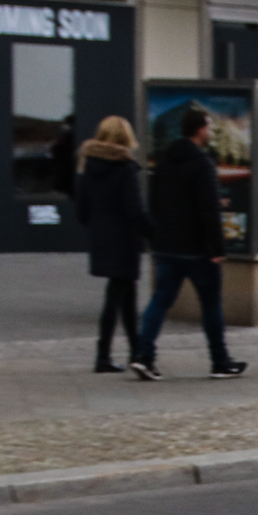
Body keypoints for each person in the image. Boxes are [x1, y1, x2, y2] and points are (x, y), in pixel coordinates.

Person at [137, 106, 245, 380]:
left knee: (160, 301)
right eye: (208, 127)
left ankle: (143, 356)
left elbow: (154, 203)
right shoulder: (202, 164)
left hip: (167, 246)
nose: (210, 132)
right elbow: (209, 209)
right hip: (197, 249)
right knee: (210, 305)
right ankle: (220, 361)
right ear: (199, 130)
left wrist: (156, 237)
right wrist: (218, 247)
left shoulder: (163, 161)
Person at [73, 116, 149, 374]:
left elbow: (82, 210)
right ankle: (103, 355)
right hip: (125, 239)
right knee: (116, 296)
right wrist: (152, 234)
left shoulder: (87, 166)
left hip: (102, 238)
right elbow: (135, 211)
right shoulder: (125, 169)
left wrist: (99, 227)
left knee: (126, 295)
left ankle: (135, 350)